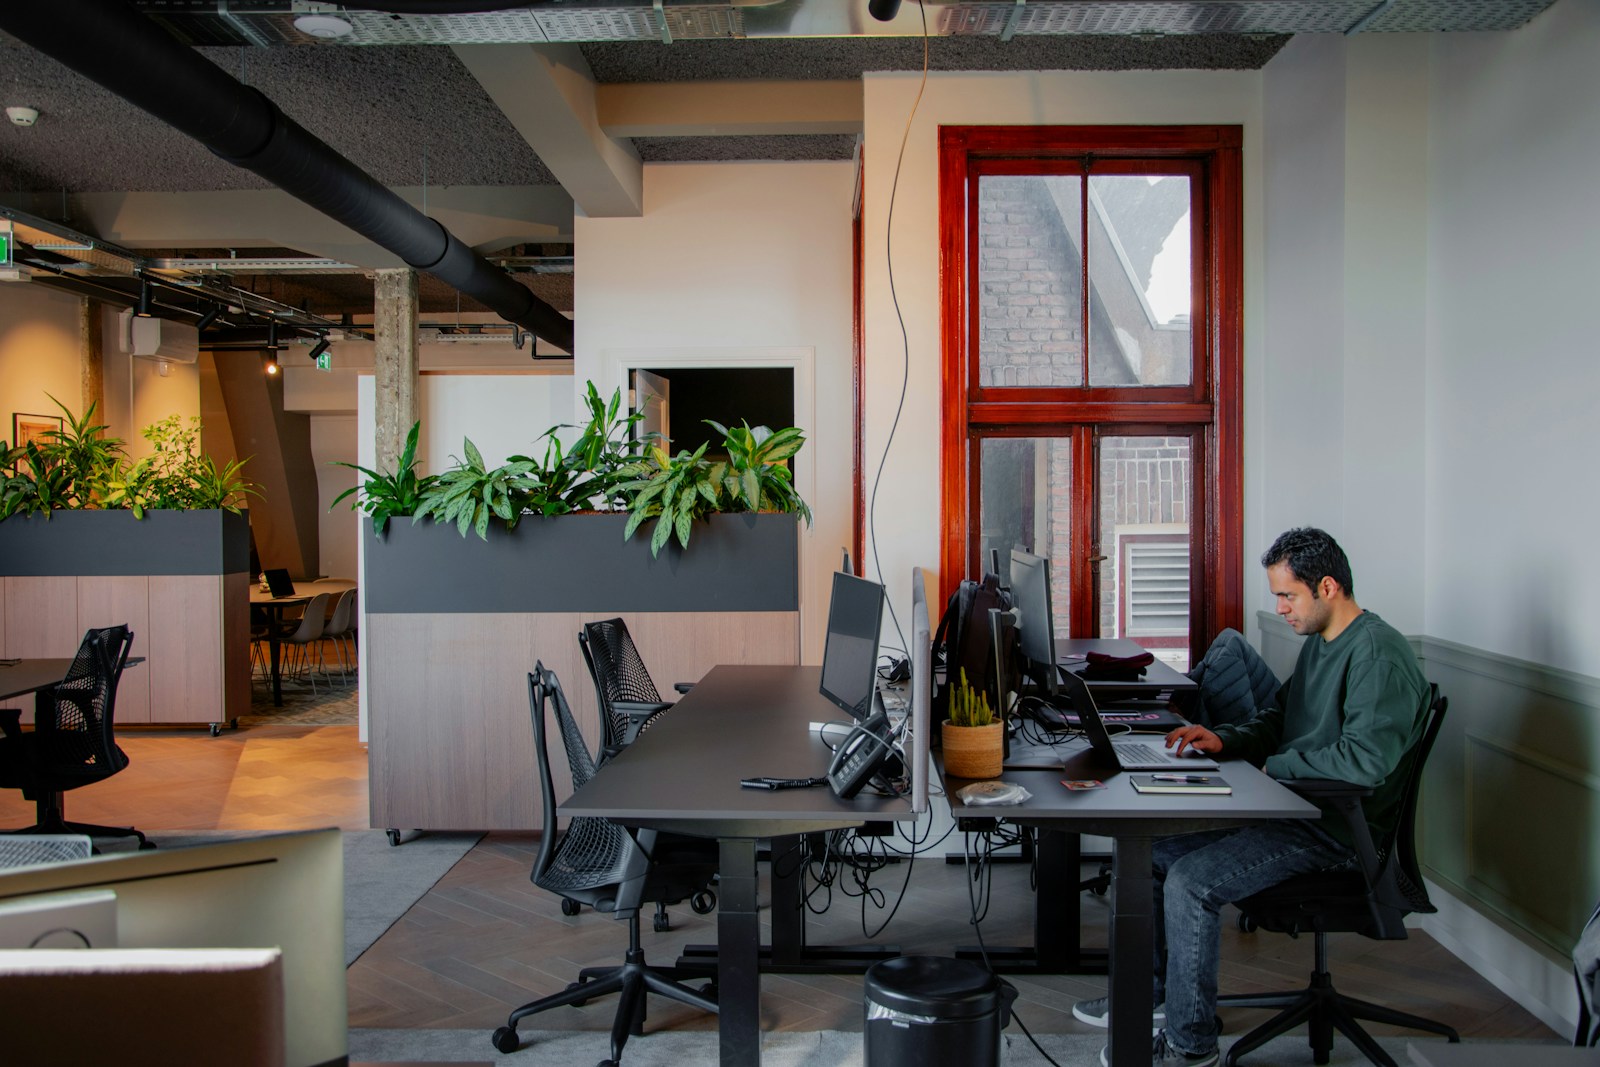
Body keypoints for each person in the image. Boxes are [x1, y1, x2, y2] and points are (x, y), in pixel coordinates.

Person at [1073, 527, 1432, 1067]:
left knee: (1192, 883)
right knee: (1147, 853)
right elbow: (1279, 718)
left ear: (1328, 587)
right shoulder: (1323, 645)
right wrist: (1226, 739)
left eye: (1288, 595)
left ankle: (1190, 1047)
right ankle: (1161, 999)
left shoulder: (1377, 657)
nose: (1281, 608)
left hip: (1334, 831)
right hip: (1296, 809)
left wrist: (1271, 766)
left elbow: (1365, 763)